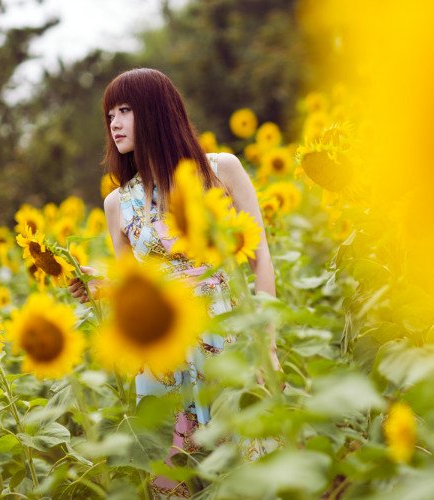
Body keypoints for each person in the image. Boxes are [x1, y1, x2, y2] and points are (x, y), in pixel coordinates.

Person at [68, 68, 280, 497]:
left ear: (158, 112)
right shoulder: (117, 202)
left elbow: (260, 257)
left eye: (125, 110)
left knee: (250, 461)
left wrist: (268, 343)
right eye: (110, 114)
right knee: (175, 474)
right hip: (162, 354)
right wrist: (101, 285)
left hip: (228, 333)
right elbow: (136, 286)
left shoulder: (221, 170)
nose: (114, 123)